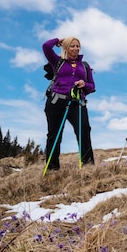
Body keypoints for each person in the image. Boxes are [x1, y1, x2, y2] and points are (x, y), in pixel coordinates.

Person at [43, 37, 95, 171]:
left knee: (84, 130)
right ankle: (52, 169)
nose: (76, 49)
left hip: (77, 102)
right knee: (54, 135)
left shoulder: (85, 66)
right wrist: (57, 40)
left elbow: (92, 86)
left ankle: (88, 167)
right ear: (65, 48)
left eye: (78, 46)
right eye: (72, 46)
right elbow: (46, 46)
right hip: (56, 101)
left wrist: (84, 84)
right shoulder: (58, 61)